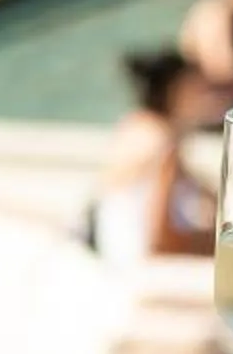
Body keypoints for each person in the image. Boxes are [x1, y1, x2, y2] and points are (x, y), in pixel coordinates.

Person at [91, 50, 217, 262]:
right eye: (198, 89)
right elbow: (158, 235)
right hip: (137, 254)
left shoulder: (136, 125)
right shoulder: (163, 142)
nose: (207, 96)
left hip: (114, 246)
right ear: (175, 90)